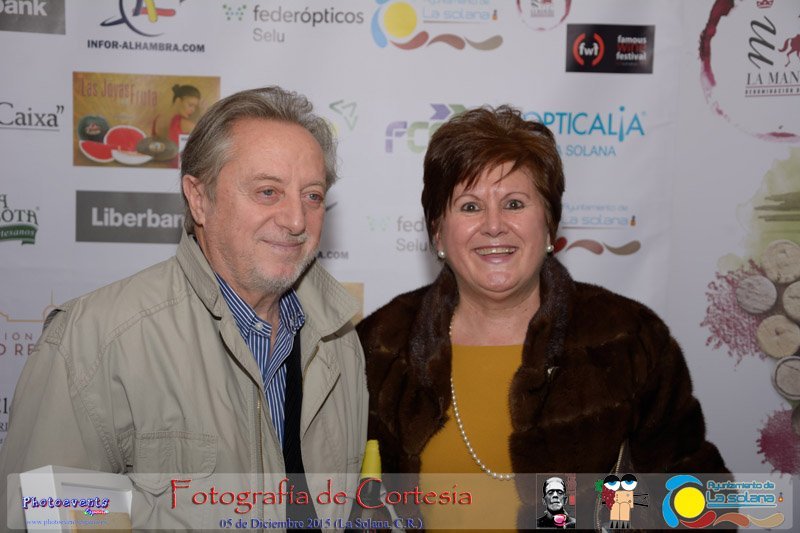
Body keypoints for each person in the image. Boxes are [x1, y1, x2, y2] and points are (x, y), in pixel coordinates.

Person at [0, 86, 367, 530]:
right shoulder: (95, 338)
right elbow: (40, 510)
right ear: (199, 198)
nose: (295, 220)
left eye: (312, 196)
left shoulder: (338, 341)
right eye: (268, 192)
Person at [356, 105, 729, 529]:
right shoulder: (382, 345)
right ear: (438, 231)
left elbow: (703, 501)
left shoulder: (626, 339)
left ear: (549, 225)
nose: (494, 226)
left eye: (514, 203)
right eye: (470, 206)